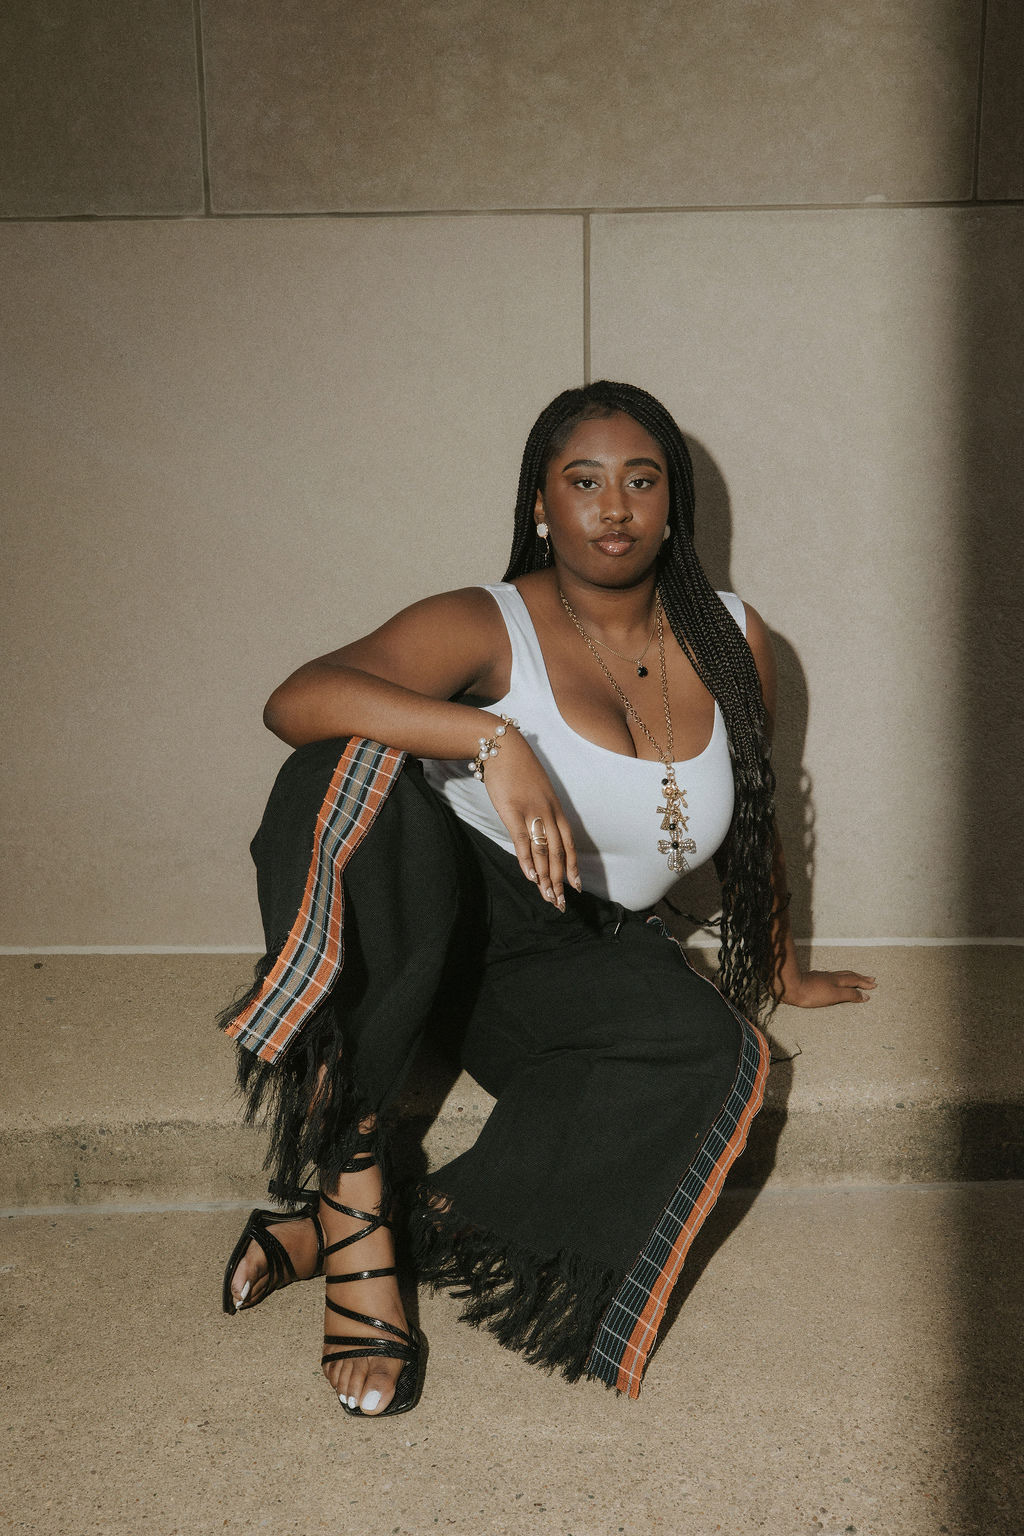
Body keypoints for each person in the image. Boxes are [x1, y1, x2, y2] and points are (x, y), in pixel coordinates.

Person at [219, 380, 875, 1419]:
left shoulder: (733, 637)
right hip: (428, 922)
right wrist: (489, 738)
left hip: (570, 947)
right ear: (540, 503)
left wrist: (781, 966)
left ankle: (365, 1226)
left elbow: (757, 813)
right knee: (346, 765)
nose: (614, 507)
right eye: (583, 481)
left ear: (672, 504)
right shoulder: (488, 621)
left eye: (641, 481)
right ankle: (350, 1195)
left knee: (712, 1051)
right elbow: (295, 699)